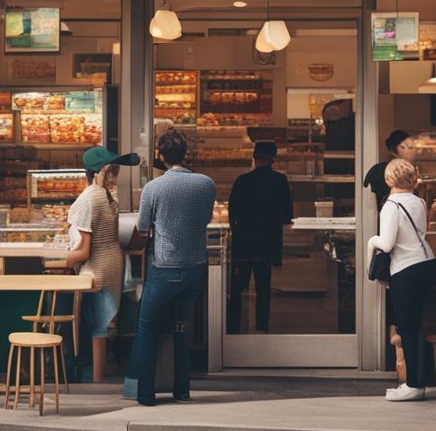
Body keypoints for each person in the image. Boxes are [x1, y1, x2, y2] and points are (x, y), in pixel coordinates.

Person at [125, 128, 216, 406]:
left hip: (165, 268)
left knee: (147, 327)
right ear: (185, 153)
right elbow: (206, 219)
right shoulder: (206, 184)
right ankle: (182, 389)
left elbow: (142, 227)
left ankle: (146, 394)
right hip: (196, 267)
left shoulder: (153, 188)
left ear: (161, 156)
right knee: (180, 326)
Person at [366, 158, 436, 402]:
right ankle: (421, 380)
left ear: (388, 180)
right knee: (419, 327)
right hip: (427, 264)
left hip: (405, 269)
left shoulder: (391, 205)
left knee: (407, 328)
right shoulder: (419, 201)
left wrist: (370, 241)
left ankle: (414, 385)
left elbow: (386, 243)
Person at [66, 145, 140, 384]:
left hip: (96, 270)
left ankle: (95, 381)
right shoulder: (107, 196)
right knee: (102, 327)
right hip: (113, 265)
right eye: (112, 168)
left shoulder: (87, 200)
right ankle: (95, 377)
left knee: (96, 327)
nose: (114, 173)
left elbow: (84, 250)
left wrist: (57, 257)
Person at [227, 140, 293, 334]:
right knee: (263, 287)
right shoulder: (280, 181)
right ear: (273, 159)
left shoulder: (242, 181)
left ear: (254, 158)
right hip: (267, 243)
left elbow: (232, 212)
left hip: (243, 244)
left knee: (238, 289)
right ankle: (262, 326)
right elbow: (287, 214)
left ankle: (233, 328)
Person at [363, 129, 416, 214]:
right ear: (393, 151)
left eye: (411, 147)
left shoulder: (412, 170)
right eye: (403, 147)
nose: (410, 151)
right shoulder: (379, 171)